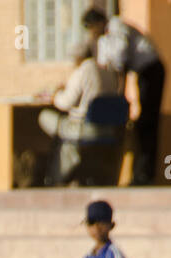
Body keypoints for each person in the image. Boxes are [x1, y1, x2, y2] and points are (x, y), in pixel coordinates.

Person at [82, 5, 165, 186]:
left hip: (151, 71)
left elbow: (120, 59)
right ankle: (139, 173)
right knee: (140, 124)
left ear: (97, 23)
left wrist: (119, 95)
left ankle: (145, 175)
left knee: (147, 123)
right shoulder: (104, 39)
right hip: (141, 74)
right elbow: (105, 65)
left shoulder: (117, 26)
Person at [37, 43, 118, 186]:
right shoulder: (107, 72)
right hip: (109, 130)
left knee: (46, 118)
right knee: (65, 133)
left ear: (78, 57)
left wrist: (55, 95)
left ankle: (57, 179)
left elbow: (66, 102)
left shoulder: (83, 71)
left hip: (85, 129)